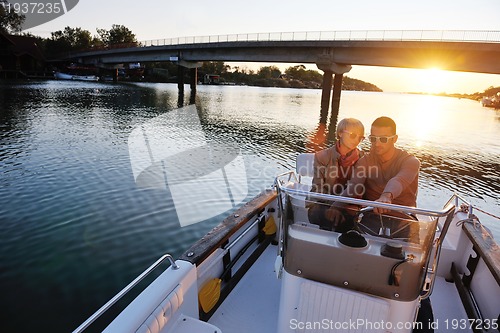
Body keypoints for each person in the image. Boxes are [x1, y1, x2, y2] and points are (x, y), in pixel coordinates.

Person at [333, 116, 421, 241]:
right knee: (356, 245)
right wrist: (334, 207)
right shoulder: (365, 161)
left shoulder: (410, 161)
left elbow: (399, 180)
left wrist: (386, 196)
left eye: (383, 139)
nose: (377, 143)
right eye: (373, 139)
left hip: (404, 219)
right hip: (372, 215)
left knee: (411, 256)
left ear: (394, 139)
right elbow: (352, 188)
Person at [307, 118, 365, 231]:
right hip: (322, 202)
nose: (357, 140)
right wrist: (332, 207)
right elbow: (318, 188)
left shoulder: (363, 158)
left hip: (349, 205)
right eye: (353, 135)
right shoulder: (322, 156)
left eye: (360, 137)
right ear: (340, 133)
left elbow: (357, 189)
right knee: (321, 215)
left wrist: (340, 207)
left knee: (347, 222)